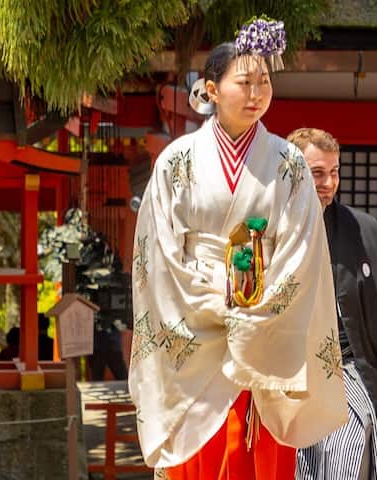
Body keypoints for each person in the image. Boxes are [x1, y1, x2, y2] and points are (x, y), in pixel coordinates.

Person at [130, 17, 348, 479]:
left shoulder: (289, 164)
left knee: (260, 455)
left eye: (264, 82)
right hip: (195, 321)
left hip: (264, 321)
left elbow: (301, 247)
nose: (256, 94)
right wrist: (213, 302)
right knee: (199, 454)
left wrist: (258, 307)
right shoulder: (177, 161)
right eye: (243, 82)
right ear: (211, 89)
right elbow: (160, 252)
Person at [287, 128, 377, 480]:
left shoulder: (362, 229)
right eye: (318, 173)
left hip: (347, 368)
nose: (329, 183)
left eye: (334, 172)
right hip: (285, 370)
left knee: (348, 445)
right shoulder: (273, 228)